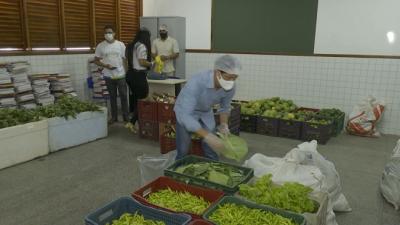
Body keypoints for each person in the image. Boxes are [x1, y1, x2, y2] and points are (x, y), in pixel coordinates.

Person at [174, 55, 242, 160]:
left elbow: (225, 107)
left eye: (235, 78)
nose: (231, 81)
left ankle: (213, 168)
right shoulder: (197, 82)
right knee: (183, 148)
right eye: (228, 77)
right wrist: (207, 136)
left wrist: (224, 125)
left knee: (212, 147)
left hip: (205, 111)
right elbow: (185, 115)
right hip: (185, 112)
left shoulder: (231, 87)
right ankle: (177, 169)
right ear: (217, 72)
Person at [94, 25, 128, 124]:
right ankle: (114, 117)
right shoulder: (101, 46)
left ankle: (126, 116)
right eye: (106, 33)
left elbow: (125, 59)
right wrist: (105, 65)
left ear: (114, 33)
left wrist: (127, 72)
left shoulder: (120, 45)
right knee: (112, 96)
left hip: (121, 74)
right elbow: (96, 61)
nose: (107, 34)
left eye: (109, 32)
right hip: (108, 75)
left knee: (123, 96)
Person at [125, 28, 154, 129]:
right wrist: (152, 63)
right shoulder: (141, 46)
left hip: (130, 75)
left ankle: (137, 122)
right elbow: (142, 62)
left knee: (137, 99)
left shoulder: (131, 45)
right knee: (143, 99)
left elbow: (126, 61)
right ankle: (132, 123)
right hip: (138, 76)